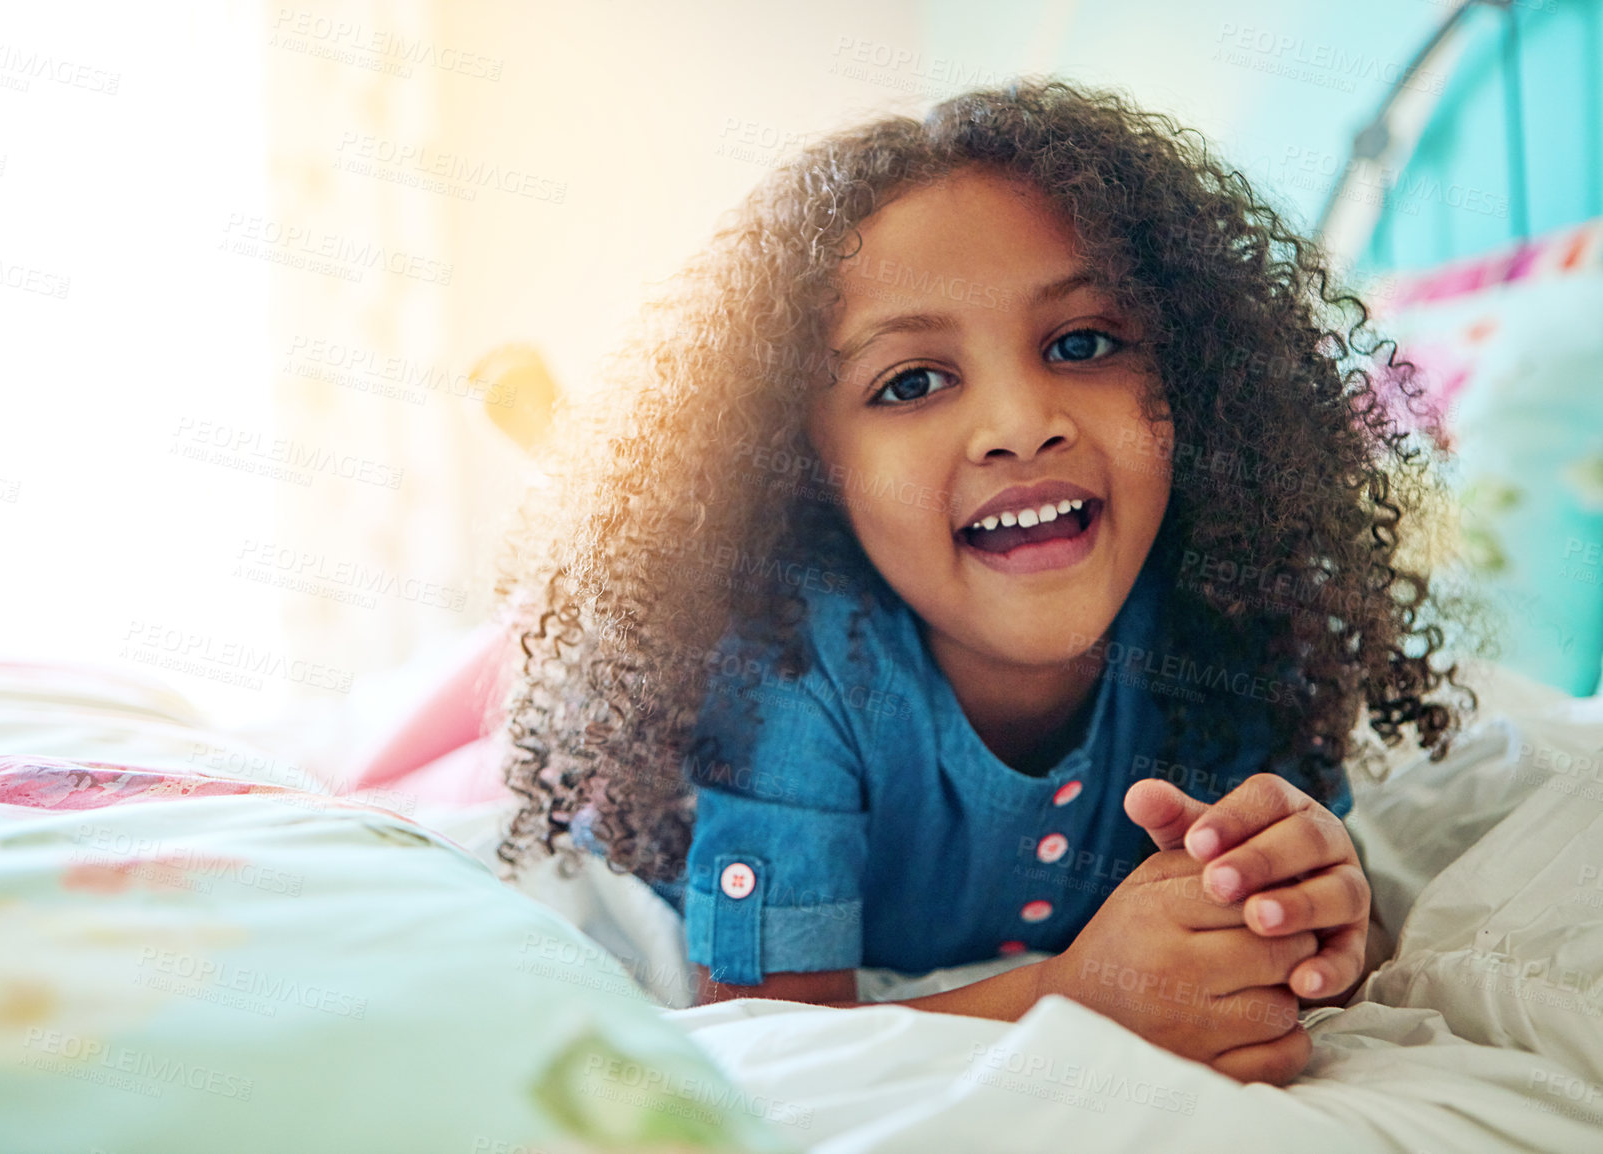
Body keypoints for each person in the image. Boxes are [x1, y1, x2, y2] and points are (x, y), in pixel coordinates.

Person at [490, 79, 1478, 1085]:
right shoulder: (788, 657)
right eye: (910, 381)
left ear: (1196, 382)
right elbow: (768, 1032)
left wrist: (1311, 914)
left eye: (1081, 343)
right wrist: (1077, 998)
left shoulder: (1228, 621)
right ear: (807, 466)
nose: (1019, 419)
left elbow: (1279, 936)